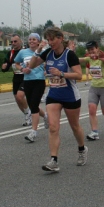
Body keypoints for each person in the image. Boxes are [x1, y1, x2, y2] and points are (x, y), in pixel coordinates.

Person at [28, 27, 87, 172]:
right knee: (53, 127)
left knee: (75, 127)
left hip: (70, 95)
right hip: (54, 95)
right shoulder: (47, 53)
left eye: (52, 39)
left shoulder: (69, 55)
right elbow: (31, 66)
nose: (50, 42)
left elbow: (79, 75)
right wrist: (37, 51)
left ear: (60, 38)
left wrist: (61, 73)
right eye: (48, 40)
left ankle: (82, 149)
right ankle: (53, 160)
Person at [14, 33, 48, 142]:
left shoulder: (43, 52)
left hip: (39, 81)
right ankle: (46, 116)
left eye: (34, 39)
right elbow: (17, 63)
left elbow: (49, 63)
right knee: (32, 105)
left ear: (38, 41)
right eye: (30, 39)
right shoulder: (23, 52)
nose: (31, 41)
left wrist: (46, 70)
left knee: (34, 105)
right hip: (27, 81)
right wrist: (22, 69)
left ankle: (33, 132)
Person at [79, 40, 104, 141]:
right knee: (92, 109)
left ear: (97, 48)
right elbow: (79, 60)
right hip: (94, 88)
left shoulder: (102, 58)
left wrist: (101, 57)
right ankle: (94, 132)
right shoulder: (89, 58)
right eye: (89, 50)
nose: (91, 51)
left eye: (92, 49)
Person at [1, 34, 31, 126]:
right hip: (16, 77)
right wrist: (4, 67)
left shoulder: (26, 51)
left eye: (15, 41)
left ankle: (29, 114)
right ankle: (28, 115)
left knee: (20, 96)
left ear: (20, 41)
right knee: (17, 99)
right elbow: (7, 64)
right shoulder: (11, 53)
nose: (13, 43)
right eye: (12, 42)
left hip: (26, 77)